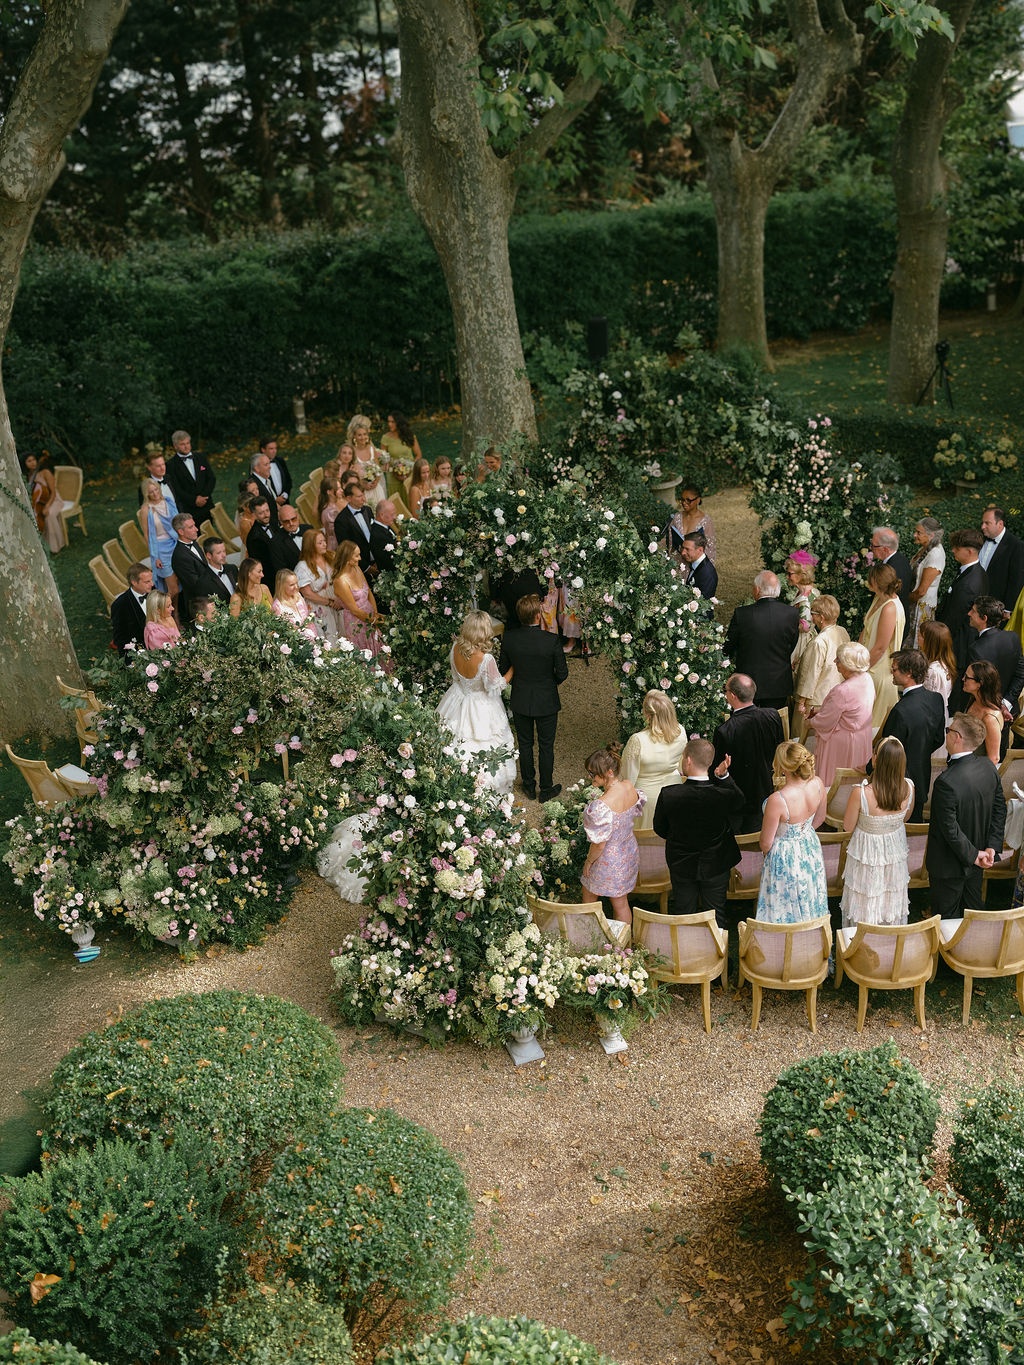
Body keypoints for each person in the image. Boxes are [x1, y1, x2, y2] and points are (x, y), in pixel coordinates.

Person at [653, 738, 744, 926]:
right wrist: (723, 776)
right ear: (710, 763)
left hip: (681, 862)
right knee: (716, 913)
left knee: (684, 912)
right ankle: (718, 953)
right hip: (717, 862)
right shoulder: (723, 794)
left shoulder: (669, 794)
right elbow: (740, 801)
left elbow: (660, 828)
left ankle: (685, 953)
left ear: (688, 761)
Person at [926, 711, 1005, 916]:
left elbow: (949, 829)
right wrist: (990, 847)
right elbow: (1000, 810)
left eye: (948, 731)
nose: (946, 734)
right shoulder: (989, 767)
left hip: (949, 865)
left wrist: (974, 854)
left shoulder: (946, 783)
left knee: (946, 920)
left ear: (957, 738)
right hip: (978, 860)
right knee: (973, 915)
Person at [497, 593, 569, 801]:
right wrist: (549, 682)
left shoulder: (509, 638)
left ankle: (529, 785)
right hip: (546, 699)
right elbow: (562, 673)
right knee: (546, 745)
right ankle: (546, 788)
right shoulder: (551, 640)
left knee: (525, 743)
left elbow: (504, 670)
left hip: (521, 697)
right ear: (538, 616)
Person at [436, 609, 516, 795]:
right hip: (481, 706)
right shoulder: (485, 659)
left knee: (455, 742)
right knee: (486, 744)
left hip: (457, 698)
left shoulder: (456, 647)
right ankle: (483, 790)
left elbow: (455, 677)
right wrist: (513, 669)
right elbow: (496, 686)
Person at [840, 736, 914, 929]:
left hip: (867, 852)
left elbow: (847, 827)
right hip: (894, 849)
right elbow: (904, 818)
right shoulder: (909, 788)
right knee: (890, 894)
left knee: (866, 896)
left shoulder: (861, 793)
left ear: (875, 760)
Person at [755, 741, 828, 924]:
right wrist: (803, 833)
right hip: (810, 847)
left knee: (784, 904)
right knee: (811, 895)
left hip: (785, 856)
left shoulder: (778, 800)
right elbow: (820, 818)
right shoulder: (818, 784)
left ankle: (782, 948)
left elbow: (765, 843)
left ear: (783, 768)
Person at [876, 650, 945, 822]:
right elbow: (938, 739)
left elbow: (888, 750)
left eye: (895, 669)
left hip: (896, 783)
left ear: (908, 674)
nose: (892, 672)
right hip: (921, 777)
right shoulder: (936, 699)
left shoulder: (900, 710)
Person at [712, 673, 785, 834]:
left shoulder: (725, 731)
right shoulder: (773, 715)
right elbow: (781, 749)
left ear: (732, 695)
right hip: (769, 788)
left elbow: (718, 771)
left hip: (741, 802)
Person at [580, 749, 645, 925]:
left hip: (607, 858)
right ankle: (622, 945)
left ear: (609, 772)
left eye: (594, 773)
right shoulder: (629, 787)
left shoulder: (602, 805)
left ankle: (589, 938)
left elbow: (599, 844)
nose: (591, 777)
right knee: (621, 903)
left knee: (588, 899)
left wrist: (589, 861)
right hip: (628, 851)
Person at [806, 641, 875, 802]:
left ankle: (830, 805)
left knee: (833, 781)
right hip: (861, 736)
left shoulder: (842, 690)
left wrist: (809, 722)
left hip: (841, 743)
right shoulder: (867, 679)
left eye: (838, 660)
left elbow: (825, 721)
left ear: (849, 665)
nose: (835, 663)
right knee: (854, 781)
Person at [724, 571, 801, 711]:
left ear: (757, 589)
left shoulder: (742, 614)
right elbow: (792, 644)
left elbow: (729, 646)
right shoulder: (791, 614)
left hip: (747, 683)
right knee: (774, 726)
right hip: (778, 682)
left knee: (747, 725)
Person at [619, 690, 687, 830]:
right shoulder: (681, 731)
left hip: (647, 801)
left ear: (648, 715)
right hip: (676, 793)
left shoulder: (638, 740)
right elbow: (681, 766)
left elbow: (627, 779)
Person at [794, 594, 849, 740]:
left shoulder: (819, 642)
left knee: (805, 738)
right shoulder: (842, 632)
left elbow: (810, 674)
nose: (811, 617)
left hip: (817, 699)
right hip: (837, 693)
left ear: (822, 617)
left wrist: (801, 701)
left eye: (813, 614)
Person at [936, 528, 988, 681]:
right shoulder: (978, 572)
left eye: (957, 548)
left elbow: (954, 618)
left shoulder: (969, 583)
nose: (953, 550)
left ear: (970, 551)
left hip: (958, 645)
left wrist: (939, 643)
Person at [860, 562, 905, 732]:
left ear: (877, 583)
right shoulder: (879, 598)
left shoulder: (890, 609)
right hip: (867, 662)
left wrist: (861, 669)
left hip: (878, 670)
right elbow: (866, 630)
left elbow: (880, 647)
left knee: (872, 727)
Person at [966, 596, 1024, 715]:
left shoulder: (976, 649)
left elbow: (977, 686)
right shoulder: (1013, 637)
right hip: (1008, 710)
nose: (969, 613)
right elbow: (1020, 674)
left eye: (973, 611)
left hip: (984, 713)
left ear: (984, 618)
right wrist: (1006, 703)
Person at [333, 539, 384, 656]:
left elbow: (369, 593)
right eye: (357, 556)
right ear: (347, 557)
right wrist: (374, 620)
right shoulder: (340, 581)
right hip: (356, 622)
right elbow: (354, 610)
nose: (360, 558)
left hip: (370, 615)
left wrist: (375, 613)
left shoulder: (357, 568)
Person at [296, 529, 341, 641]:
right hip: (320, 608)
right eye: (320, 543)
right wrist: (329, 602)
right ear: (311, 546)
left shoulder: (331, 557)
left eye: (324, 541)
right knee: (330, 638)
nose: (324, 544)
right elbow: (307, 593)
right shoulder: (302, 567)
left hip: (338, 602)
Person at [906, 516, 945, 644]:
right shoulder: (925, 548)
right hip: (914, 603)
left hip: (921, 606)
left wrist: (905, 599)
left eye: (919, 533)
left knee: (916, 643)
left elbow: (922, 591)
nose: (915, 535)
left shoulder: (935, 554)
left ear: (931, 535)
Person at [139, 476, 178, 600]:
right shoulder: (146, 510)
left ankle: (178, 610)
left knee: (180, 580)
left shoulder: (168, 502)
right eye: (151, 492)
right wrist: (155, 556)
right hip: (161, 549)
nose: (155, 493)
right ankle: (168, 612)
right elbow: (146, 534)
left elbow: (178, 522)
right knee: (173, 588)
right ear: (147, 494)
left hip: (176, 543)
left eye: (156, 489)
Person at [22, 452, 69, 553]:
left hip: (54, 500)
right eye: (29, 461)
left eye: (33, 460)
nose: (33, 463)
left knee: (49, 515)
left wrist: (47, 506)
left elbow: (53, 492)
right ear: (25, 463)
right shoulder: (29, 477)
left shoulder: (45, 472)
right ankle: (40, 544)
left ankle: (56, 546)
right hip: (40, 502)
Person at [980, 505, 1024, 613]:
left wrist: (1008, 609)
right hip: (974, 599)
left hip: (995, 606)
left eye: (987, 523)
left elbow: (1016, 580)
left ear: (1000, 524)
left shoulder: (1016, 546)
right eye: (982, 523)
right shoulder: (980, 537)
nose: (982, 526)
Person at [961, 659, 1006, 765]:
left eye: (967, 677)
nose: (963, 679)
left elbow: (994, 758)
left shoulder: (990, 718)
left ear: (979, 684)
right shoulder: (973, 701)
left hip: (975, 773)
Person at [164, 430, 215, 523]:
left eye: (188, 443)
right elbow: (176, 488)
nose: (186, 446)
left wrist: (203, 496)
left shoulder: (201, 457)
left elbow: (211, 478)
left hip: (206, 504)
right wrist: (194, 500)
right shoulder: (171, 465)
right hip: (189, 509)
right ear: (175, 446)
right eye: (182, 444)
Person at [170, 512, 209, 627]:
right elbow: (195, 585)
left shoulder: (194, 543)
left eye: (194, 525)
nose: (196, 529)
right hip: (200, 604)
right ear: (181, 532)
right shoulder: (180, 556)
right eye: (191, 527)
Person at [246, 497, 297, 583]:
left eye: (267, 511)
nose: (266, 515)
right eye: (261, 513)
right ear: (254, 515)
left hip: (287, 566)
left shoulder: (273, 522)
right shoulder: (254, 538)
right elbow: (262, 566)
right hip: (273, 578)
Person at [784, 550, 820, 671]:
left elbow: (805, 627)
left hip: (801, 642)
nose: (787, 577)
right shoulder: (811, 590)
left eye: (790, 574)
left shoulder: (804, 599)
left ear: (801, 574)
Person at [869, 526, 913, 623]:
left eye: (873, 545)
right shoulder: (902, 559)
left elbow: (886, 598)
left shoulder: (891, 569)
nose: (871, 548)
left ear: (885, 549)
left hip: (890, 621)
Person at [919, 619, 958, 726]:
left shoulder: (933, 671)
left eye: (922, 636)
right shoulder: (943, 662)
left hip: (930, 717)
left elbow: (929, 700)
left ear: (930, 642)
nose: (918, 637)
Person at [110, 563, 154, 656]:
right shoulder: (120, 605)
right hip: (140, 652)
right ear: (134, 582)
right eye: (147, 582)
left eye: (151, 580)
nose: (152, 584)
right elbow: (119, 638)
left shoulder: (153, 591)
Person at [333, 480, 375, 573]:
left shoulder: (367, 510)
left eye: (363, 495)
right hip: (360, 567)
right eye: (359, 496)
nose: (364, 499)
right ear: (349, 498)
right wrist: (366, 568)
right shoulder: (341, 521)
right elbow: (347, 549)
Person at [668, 486, 716, 564]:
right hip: (676, 564)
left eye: (688, 500)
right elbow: (671, 544)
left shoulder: (706, 521)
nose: (684, 503)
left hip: (695, 567)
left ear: (698, 500)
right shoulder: (676, 518)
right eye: (682, 500)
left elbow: (710, 550)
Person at [347, 414, 387, 506]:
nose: (363, 437)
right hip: (362, 490)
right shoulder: (352, 451)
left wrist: (376, 481)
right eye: (359, 435)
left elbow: (378, 469)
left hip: (376, 487)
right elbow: (350, 474)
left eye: (365, 434)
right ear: (354, 437)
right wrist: (363, 484)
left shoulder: (371, 449)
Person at [381, 411, 422, 492]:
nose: (389, 424)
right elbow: (384, 459)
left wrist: (410, 468)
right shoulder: (385, 438)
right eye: (388, 421)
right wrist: (395, 472)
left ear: (399, 422)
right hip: (393, 474)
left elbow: (418, 455)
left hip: (410, 473)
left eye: (392, 422)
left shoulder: (409, 436)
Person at [272, 568, 317, 635]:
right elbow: (281, 632)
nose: (296, 587)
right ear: (282, 586)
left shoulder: (298, 596)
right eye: (291, 585)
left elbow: (309, 621)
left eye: (296, 583)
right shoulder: (277, 606)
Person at [680, 532, 718, 600]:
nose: (683, 552)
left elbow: (703, 603)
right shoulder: (696, 564)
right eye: (683, 548)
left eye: (687, 549)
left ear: (700, 550)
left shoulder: (707, 574)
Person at [201, 536, 238, 606]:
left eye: (224, 551)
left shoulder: (233, 569)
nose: (224, 555)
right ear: (209, 555)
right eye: (219, 553)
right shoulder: (204, 582)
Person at [249, 451, 280, 526]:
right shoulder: (253, 486)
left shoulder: (265, 479)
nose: (270, 467)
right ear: (257, 468)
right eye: (266, 464)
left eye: (269, 463)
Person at [317, 477, 346, 552]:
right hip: (337, 547)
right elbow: (337, 532)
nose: (341, 490)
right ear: (329, 492)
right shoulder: (330, 512)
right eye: (338, 489)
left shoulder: (336, 503)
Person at [260, 436, 291, 506]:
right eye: (271, 449)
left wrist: (285, 496)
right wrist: (274, 499)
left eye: (275, 448)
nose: (274, 451)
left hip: (285, 502)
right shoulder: (258, 466)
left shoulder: (280, 461)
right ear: (263, 449)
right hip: (269, 506)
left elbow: (288, 480)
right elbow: (260, 488)